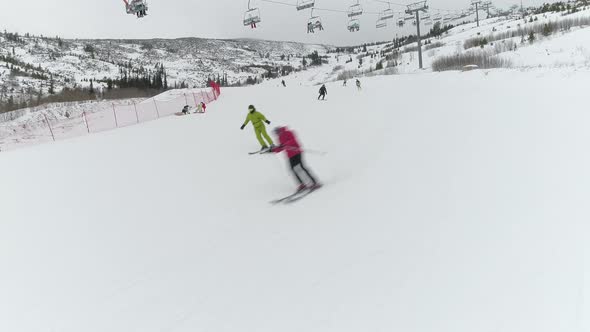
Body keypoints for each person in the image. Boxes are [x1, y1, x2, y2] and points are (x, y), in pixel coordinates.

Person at [272, 126, 321, 192]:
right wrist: (274, 149)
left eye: (277, 133)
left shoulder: (289, 132)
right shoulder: (279, 137)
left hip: (297, 152)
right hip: (290, 155)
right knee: (292, 169)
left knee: (302, 167)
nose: (277, 134)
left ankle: (315, 182)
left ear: (279, 130)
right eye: (276, 134)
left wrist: (285, 144)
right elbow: (281, 147)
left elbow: (293, 140)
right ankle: (302, 184)